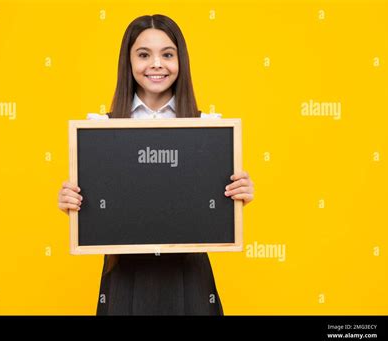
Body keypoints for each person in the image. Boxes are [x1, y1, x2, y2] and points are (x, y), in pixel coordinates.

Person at [58, 14, 254, 315]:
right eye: (143, 55)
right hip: (125, 276)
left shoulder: (209, 128)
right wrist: (73, 201)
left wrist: (238, 194)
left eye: (167, 54)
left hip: (189, 275)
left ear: (180, 61)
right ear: (129, 62)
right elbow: (94, 205)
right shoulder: (99, 130)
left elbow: (217, 204)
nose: (157, 64)